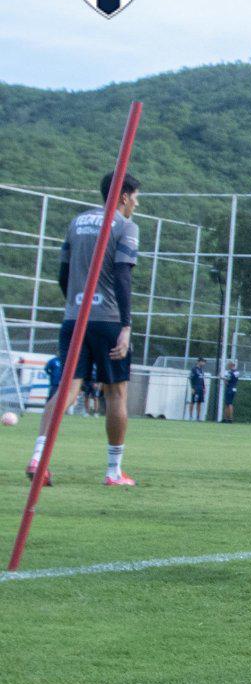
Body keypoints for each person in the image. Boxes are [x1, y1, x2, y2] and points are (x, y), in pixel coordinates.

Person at [30, 172, 142, 487]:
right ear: (123, 196)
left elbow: (63, 275)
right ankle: (113, 471)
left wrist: (77, 307)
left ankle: (38, 458)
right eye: (134, 197)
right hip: (108, 320)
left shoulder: (76, 223)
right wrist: (126, 325)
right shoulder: (126, 226)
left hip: (74, 318)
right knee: (116, 392)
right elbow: (122, 276)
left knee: (66, 389)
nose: (136, 203)